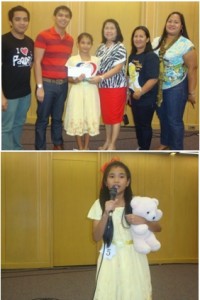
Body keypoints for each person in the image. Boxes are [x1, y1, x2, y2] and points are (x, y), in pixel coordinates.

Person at [88, 160, 161, 300]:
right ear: (105, 182)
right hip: (110, 255)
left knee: (135, 291)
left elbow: (158, 228)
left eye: (121, 176)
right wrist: (105, 213)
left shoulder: (137, 203)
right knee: (109, 291)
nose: (116, 180)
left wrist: (144, 221)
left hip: (134, 254)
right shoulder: (99, 204)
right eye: (111, 176)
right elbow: (96, 237)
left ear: (128, 182)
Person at [152, 11, 198, 150]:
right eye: (170, 21)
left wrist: (191, 92)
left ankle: (177, 148)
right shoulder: (157, 40)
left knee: (174, 120)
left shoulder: (186, 44)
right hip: (158, 87)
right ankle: (165, 142)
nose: (172, 24)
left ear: (181, 26)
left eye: (176, 22)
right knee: (162, 117)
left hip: (176, 87)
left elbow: (192, 68)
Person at [34, 5, 74, 150]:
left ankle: (57, 145)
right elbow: (37, 62)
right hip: (46, 84)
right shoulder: (43, 35)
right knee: (43, 120)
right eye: (60, 15)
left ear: (69, 19)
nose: (63, 18)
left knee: (57, 119)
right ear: (55, 17)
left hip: (63, 85)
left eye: (66, 16)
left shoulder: (70, 39)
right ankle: (40, 148)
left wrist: (73, 78)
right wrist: (39, 87)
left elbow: (67, 64)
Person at [89, 19, 127, 150]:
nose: (109, 31)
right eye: (106, 28)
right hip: (103, 87)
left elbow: (118, 68)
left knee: (115, 116)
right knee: (107, 116)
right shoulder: (100, 48)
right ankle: (107, 141)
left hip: (116, 87)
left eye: (112, 28)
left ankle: (113, 144)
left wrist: (101, 77)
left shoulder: (120, 47)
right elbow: (96, 66)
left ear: (117, 31)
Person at [2, 5, 34, 150]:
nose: (22, 22)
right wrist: (1, 95)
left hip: (25, 94)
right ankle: (6, 152)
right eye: (18, 19)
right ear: (10, 22)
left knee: (19, 123)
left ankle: (16, 148)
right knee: (6, 127)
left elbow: (30, 64)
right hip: (8, 95)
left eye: (25, 19)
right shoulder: (3, 41)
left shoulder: (29, 42)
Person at [64, 33, 100, 150]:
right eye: (83, 43)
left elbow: (99, 77)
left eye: (88, 43)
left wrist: (95, 80)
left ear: (91, 45)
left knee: (89, 116)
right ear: (78, 44)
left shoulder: (96, 60)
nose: (85, 46)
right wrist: (76, 80)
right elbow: (68, 78)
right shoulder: (72, 60)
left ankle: (86, 146)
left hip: (91, 92)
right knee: (77, 115)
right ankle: (80, 146)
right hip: (77, 91)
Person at [127, 26, 159, 150]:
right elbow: (130, 77)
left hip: (146, 98)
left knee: (145, 125)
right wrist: (129, 94)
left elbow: (153, 79)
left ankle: (145, 148)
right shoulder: (132, 56)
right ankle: (141, 146)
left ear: (147, 39)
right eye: (136, 36)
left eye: (141, 36)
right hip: (134, 97)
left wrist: (140, 92)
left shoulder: (151, 56)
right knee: (138, 124)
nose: (138, 39)